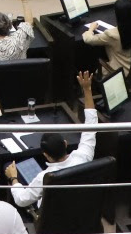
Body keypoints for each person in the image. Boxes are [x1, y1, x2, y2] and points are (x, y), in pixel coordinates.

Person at [8, 69, 98, 208]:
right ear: (65, 144)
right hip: (80, 207)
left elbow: (21, 200)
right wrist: (87, 89)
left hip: (50, 216)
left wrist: (14, 178)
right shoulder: (83, 156)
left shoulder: (45, 177)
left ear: (46, 155)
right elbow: (91, 123)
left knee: (13, 170)